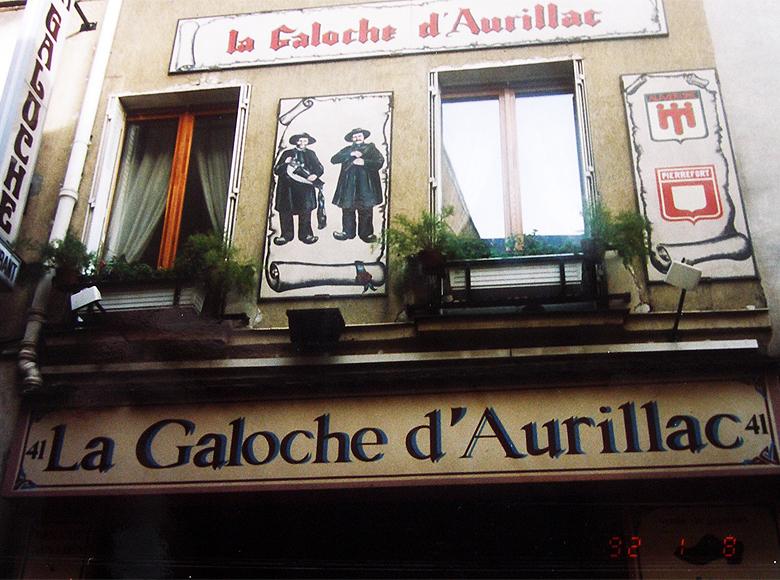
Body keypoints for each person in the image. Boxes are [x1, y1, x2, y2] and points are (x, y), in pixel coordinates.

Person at [330, 128, 385, 243]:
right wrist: (350, 154)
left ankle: (366, 234)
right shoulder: (347, 150)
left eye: (359, 136)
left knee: (366, 209)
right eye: (354, 136)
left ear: (364, 136)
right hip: (348, 185)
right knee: (347, 209)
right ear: (351, 139)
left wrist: (364, 162)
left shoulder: (371, 149)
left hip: (366, 185)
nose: (357, 138)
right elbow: (334, 159)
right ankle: (347, 232)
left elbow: (380, 162)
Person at [273, 132, 324, 245]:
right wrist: (285, 163)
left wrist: (315, 175)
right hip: (287, 188)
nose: (302, 142)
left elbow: (319, 168)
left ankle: (306, 235)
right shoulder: (287, 153)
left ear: (308, 142)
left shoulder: (311, 154)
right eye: (300, 140)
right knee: (285, 211)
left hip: (304, 188)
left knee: (305, 211)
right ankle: (286, 235)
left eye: (305, 140)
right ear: (296, 141)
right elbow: (277, 170)